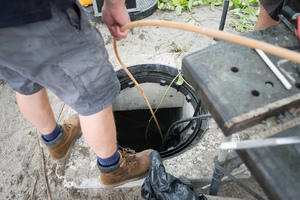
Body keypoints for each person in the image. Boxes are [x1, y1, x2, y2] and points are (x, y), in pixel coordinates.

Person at [0, 0, 153, 188]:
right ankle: (114, 169)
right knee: (94, 93)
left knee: (23, 79)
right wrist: (114, 4)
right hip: (40, 12)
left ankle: (56, 142)